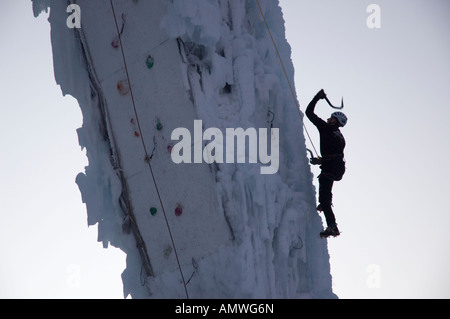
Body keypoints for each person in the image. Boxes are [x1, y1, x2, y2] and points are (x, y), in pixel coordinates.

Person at [305, 89, 347, 238]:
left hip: (331, 168)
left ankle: (332, 225)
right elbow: (334, 155)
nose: (329, 119)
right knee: (326, 189)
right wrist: (321, 160)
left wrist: (318, 97)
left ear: (336, 121)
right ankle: (326, 205)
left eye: (331, 117)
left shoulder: (327, 129)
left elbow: (309, 113)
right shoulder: (340, 137)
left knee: (324, 193)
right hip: (336, 167)